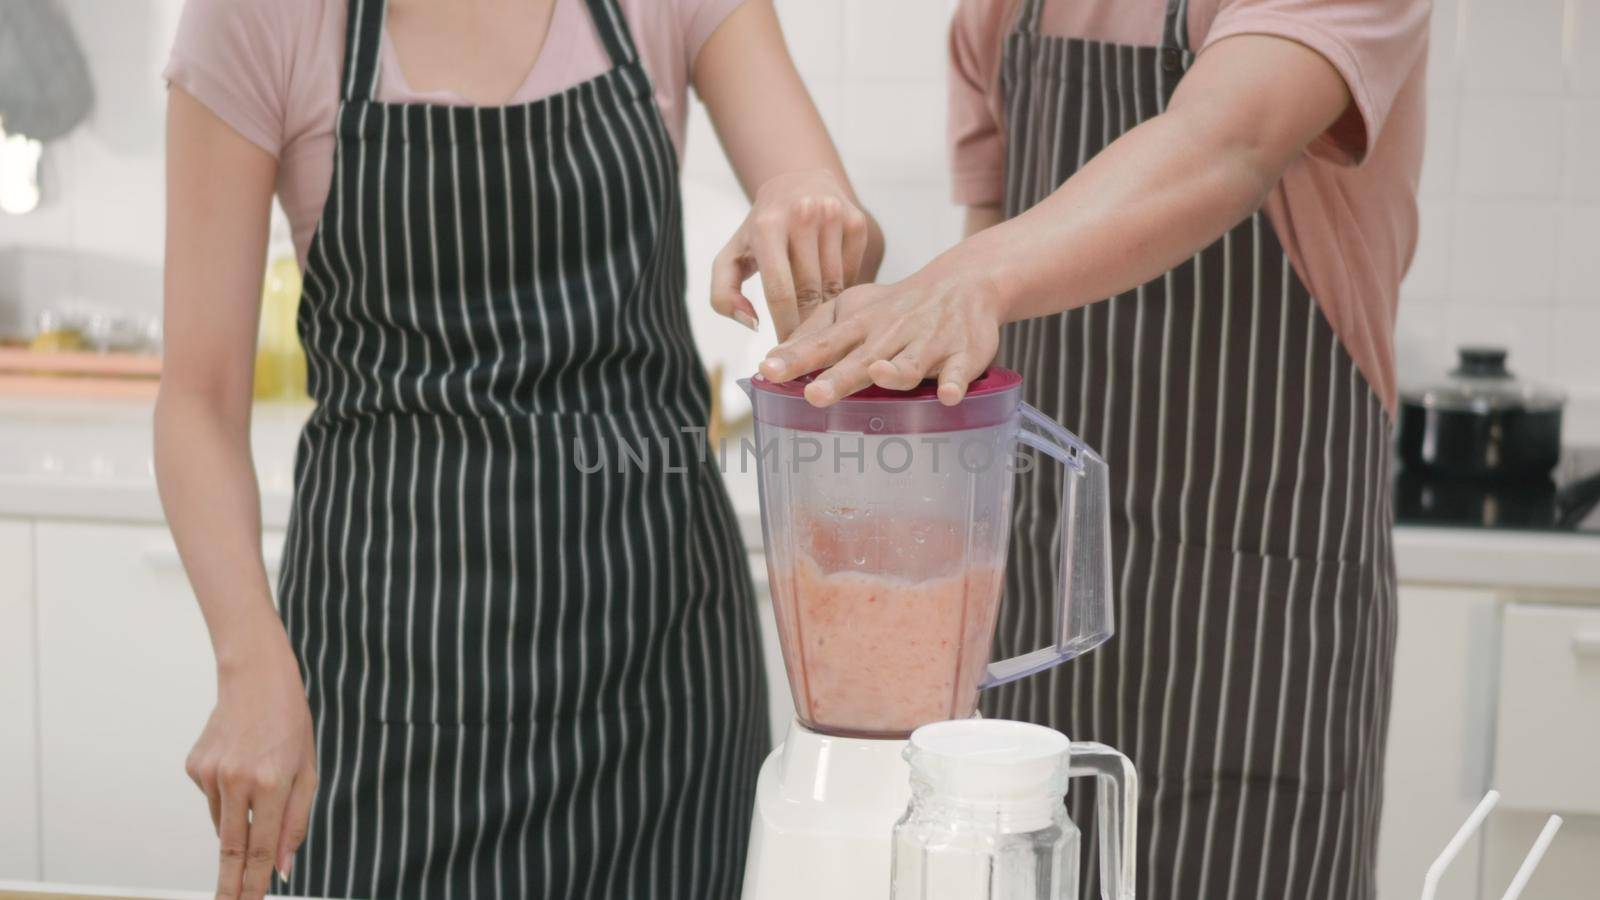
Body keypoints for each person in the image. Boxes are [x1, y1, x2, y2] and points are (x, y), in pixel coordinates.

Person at [156, 0, 882, 897]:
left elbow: (839, 229)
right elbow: (197, 396)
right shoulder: (260, 17)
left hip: (658, 675)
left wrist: (809, 211)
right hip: (385, 672)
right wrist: (249, 660)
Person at [755, 0, 1426, 896]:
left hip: (1264, 620)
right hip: (1044, 602)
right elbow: (991, 293)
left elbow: (1226, 143)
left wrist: (964, 282)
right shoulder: (1001, 11)